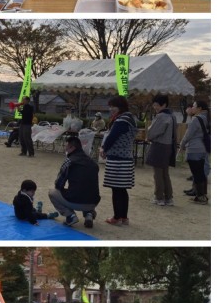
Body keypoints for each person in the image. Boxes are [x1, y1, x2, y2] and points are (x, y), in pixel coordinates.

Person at [100, 95, 137, 225]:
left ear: (120, 106)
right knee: (122, 189)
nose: (111, 109)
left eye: (113, 106)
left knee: (116, 189)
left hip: (117, 159)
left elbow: (112, 137)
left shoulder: (122, 120)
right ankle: (123, 217)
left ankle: (116, 217)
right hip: (126, 157)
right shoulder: (130, 118)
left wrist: (104, 149)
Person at [48, 136, 101, 228]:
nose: (65, 148)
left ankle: (70, 216)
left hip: (76, 200)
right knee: (88, 188)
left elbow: (58, 184)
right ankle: (89, 214)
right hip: (93, 201)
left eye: (66, 146)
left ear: (72, 148)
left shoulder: (70, 161)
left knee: (52, 192)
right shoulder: (93, 162)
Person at [145, 94, 177, 207]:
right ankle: (169, 197)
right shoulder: (172, 116)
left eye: (157, 105)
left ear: (163, 105)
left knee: (158, 174)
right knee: (165, 173)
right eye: (154, 105)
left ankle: (159, 197)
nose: (155, 107)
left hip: (159, 146)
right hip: (168, 146)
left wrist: (148, 135)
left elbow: (152, 132)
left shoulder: (161, 116)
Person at [179, 99, 210, 205]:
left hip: (194, 149)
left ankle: (201, 197)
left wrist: (182, 145)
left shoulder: (196, 119)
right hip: (202, 148)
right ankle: (201, 195)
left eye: (194, 106)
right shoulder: (206, 118)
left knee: (197, 173)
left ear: (200, 108)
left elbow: (188, 134)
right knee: (200, 172)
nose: (192, 107)